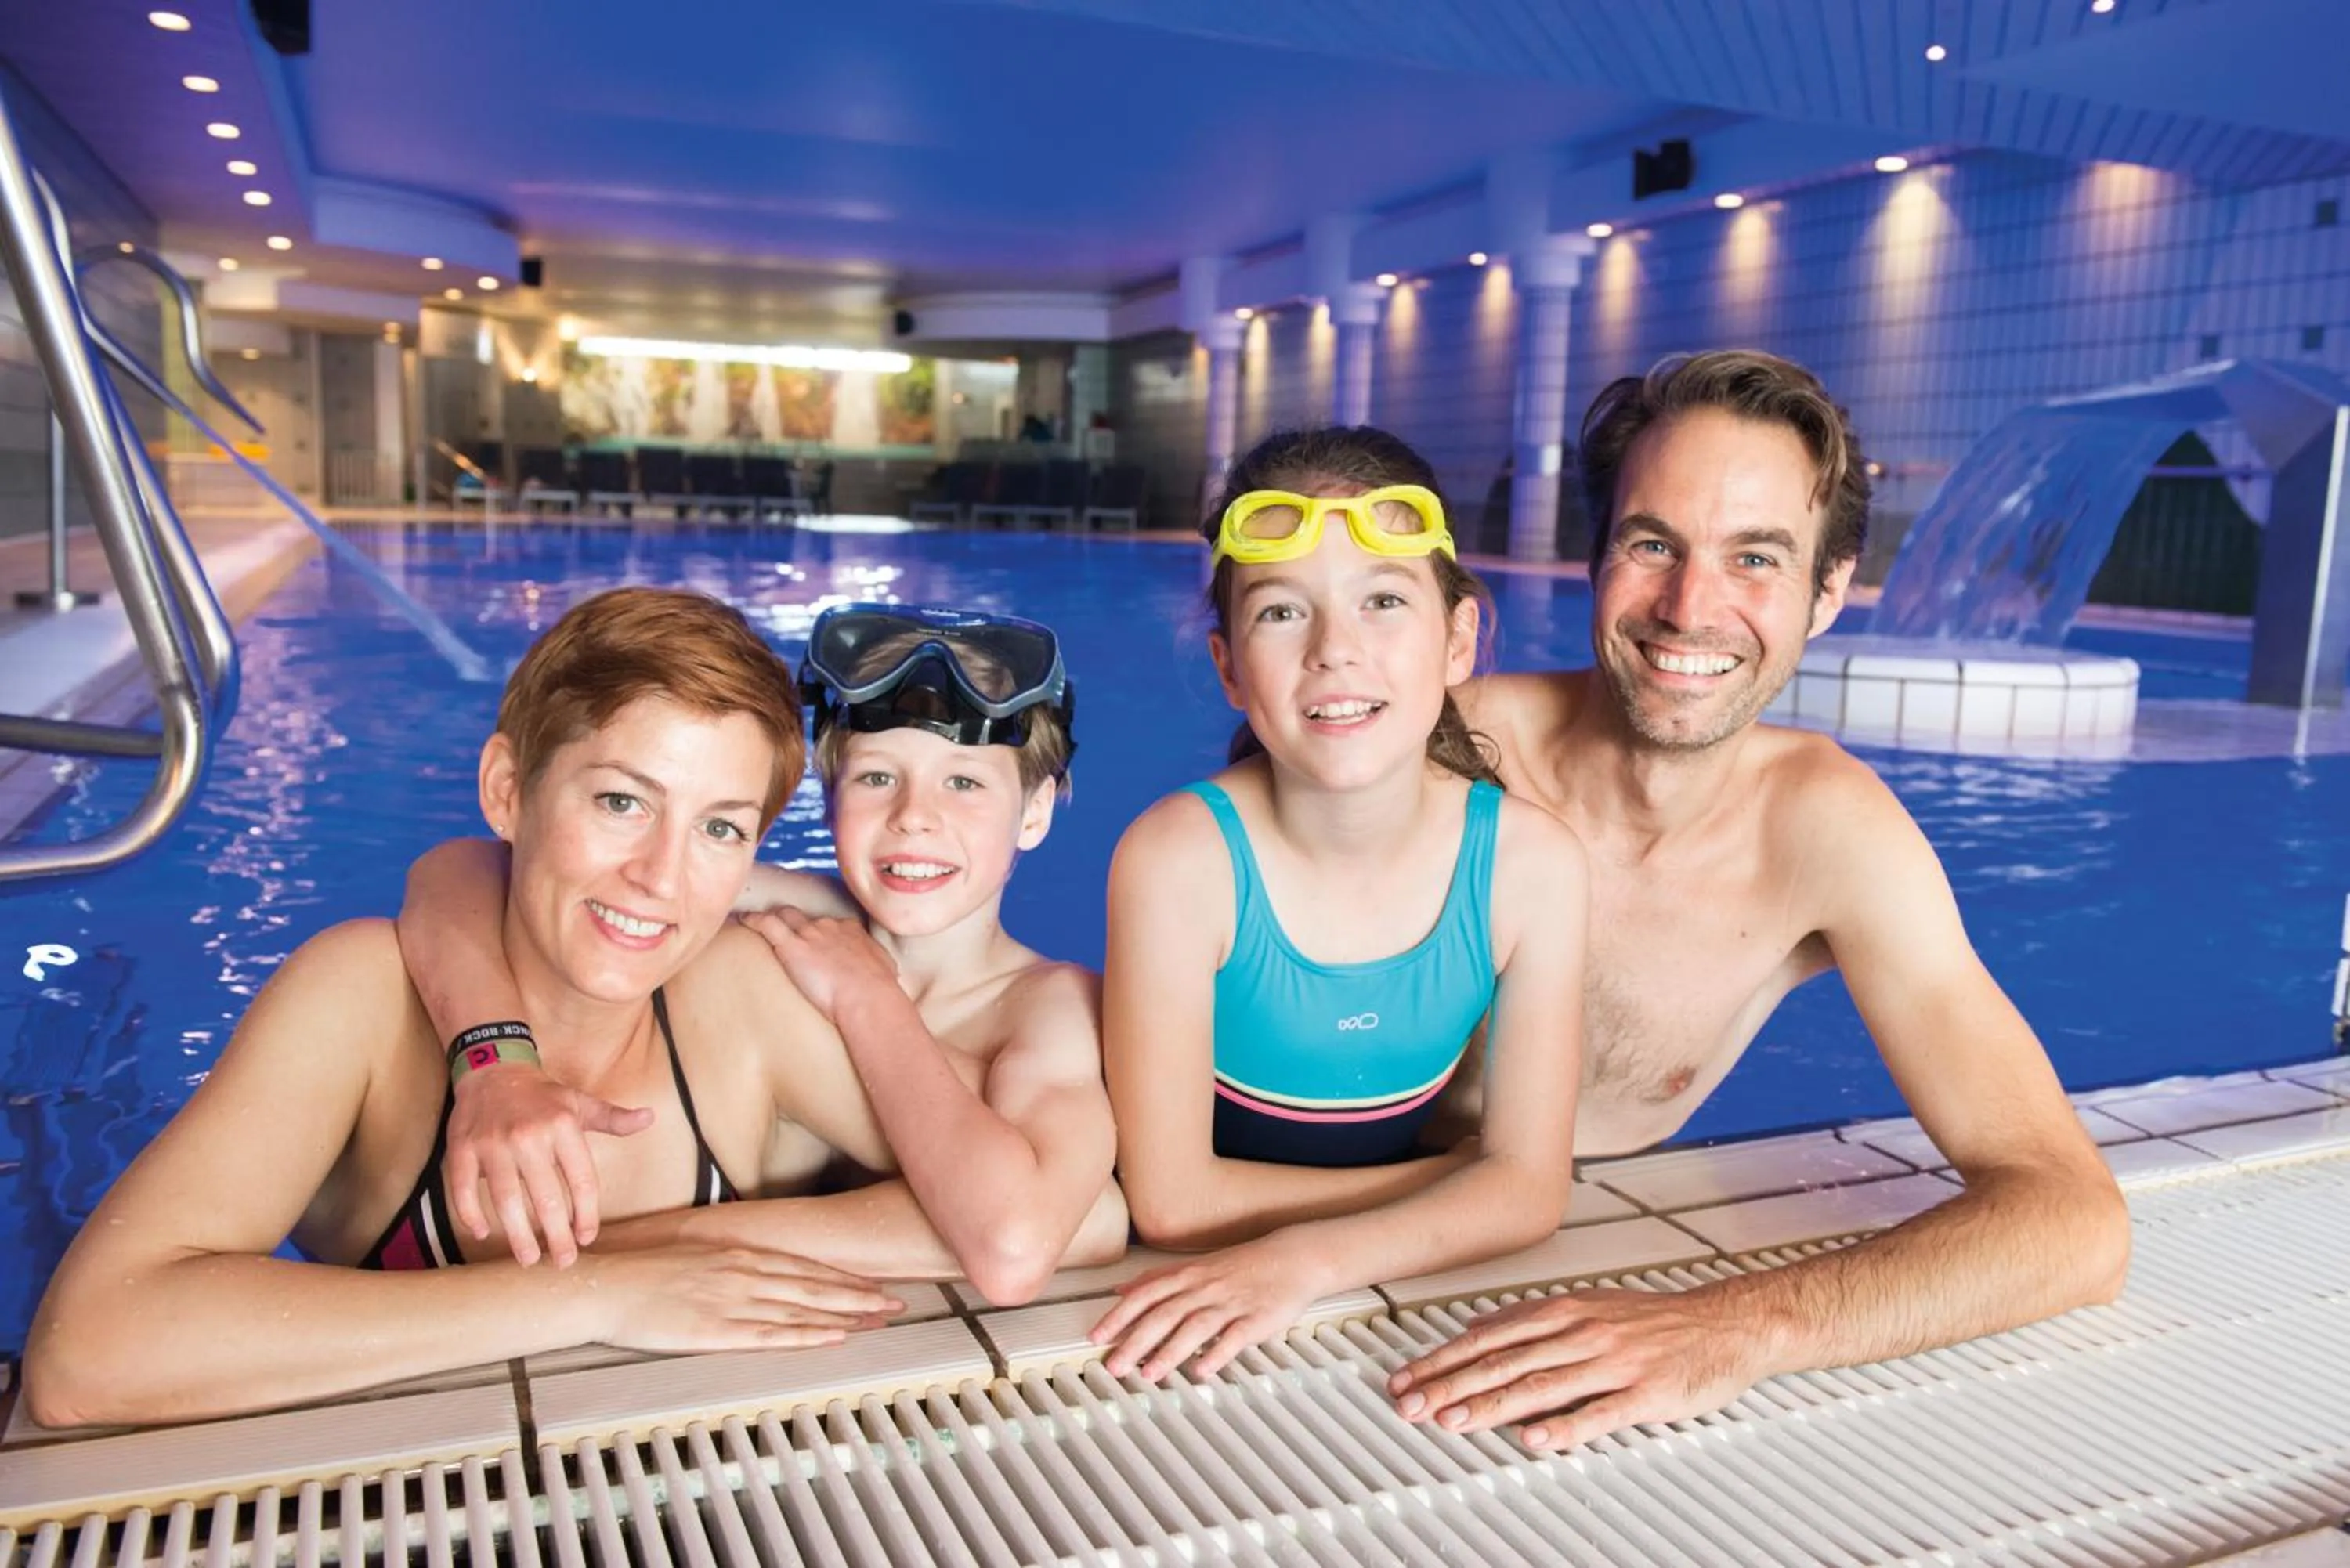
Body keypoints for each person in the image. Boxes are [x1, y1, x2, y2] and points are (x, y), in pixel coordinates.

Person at [1386, 349, 2131, 1450]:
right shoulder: (1439, 746)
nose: (1693, 608)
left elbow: (2073, 1220)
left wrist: (1737, 1324)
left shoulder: (1825, 829)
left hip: (1544, 1306)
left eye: (1756, 558)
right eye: (1654, 545)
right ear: (1592, 560)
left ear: (1829, 591)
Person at [24, 588, 906, 1426]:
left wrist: (690, 1247)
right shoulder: (362, 999)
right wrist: (606, 1293)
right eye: (620, 800)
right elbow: (87, 1354)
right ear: (505, 789)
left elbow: (1014, 1211)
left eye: (720, 828)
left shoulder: (743, 993)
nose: (661, 876)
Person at [397, 602, 1125, 1306]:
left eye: (963, 783)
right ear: (830, 801)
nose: (914, 818)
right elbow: (464, 868)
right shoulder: (800, 919)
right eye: (877, 778)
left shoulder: (1052, 1009)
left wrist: (868, 1001)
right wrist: (496, 1062)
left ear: (1034, 812)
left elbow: (1018, 1248)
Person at [1090, 427, 1589, 1381]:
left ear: (1459, 640)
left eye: (1385, 600)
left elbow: (1531, 1193)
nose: (1335, 650)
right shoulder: (1179, 860)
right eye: (1282, 612)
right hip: (1180, 1309)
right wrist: (1469, 1180)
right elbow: (1171, 1204)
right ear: (1230, 666)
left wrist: (1307, 1260)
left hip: (1306, 1304)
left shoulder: (1530, 869)